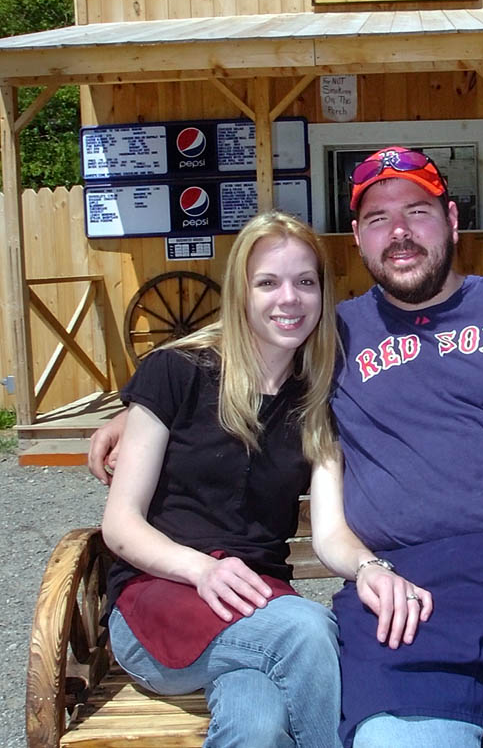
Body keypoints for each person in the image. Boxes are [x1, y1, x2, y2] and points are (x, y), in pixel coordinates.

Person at [91, 149, 483, 748]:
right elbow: (234, 356)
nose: (401, 232)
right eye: (380, 218)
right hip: (409, 599)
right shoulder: (332, 337)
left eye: (418, 211)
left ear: (453, 221)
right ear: (359, 238)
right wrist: (133, 413)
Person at [98, 209, 431, 748]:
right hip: (157, 602)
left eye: (305, 282)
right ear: (241, 293)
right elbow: (120, 525)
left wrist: (370, 568)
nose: (289, 299)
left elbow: (327, 534)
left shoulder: (317, 398)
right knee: (308, 632)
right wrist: (200, 570)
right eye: (268, 283)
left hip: (257, 606)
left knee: (255, 724)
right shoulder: (176, 372)